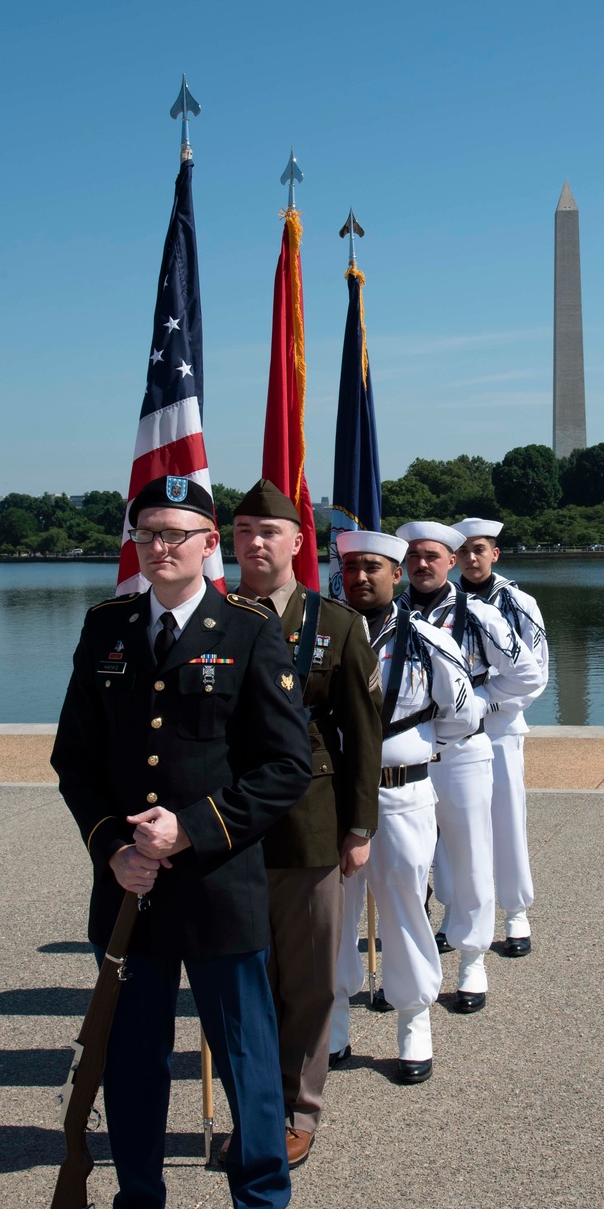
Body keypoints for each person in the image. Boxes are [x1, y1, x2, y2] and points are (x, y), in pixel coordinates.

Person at [50, 474, 312, 1209]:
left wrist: (191, 829)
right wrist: (111, 849)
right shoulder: (106, 630)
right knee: (132, 1061)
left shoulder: (246, 631)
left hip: (219, 888)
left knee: (245, 1060)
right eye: (149, 532)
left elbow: (285, 768)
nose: (162, 546)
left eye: (179, 533)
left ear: (211, 545)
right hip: (130, 890)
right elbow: (76, 762)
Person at [229, 478, 381, 1169]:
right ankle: (253, 1110)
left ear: (298, 543)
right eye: (242, 533)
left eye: (269, 533)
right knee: (240, 979)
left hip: (310, 825)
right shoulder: (213, 615)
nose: (255, 544)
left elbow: (361, 734)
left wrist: (358, 827)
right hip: (226, 825)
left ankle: (298, 1108)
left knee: (311, 979)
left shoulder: (336, 625)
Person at [331, 530, 481, 1082]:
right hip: (334, 797)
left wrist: (407, 749)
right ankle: (334, 1020)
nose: (361, 577)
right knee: (333, 911)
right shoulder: (318, 638)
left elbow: (462, 716)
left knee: (403, 907)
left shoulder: (427, 640)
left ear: (396, 575)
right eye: (351, 568)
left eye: (373, 567)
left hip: (402, 793)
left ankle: (414, 1018)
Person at [395, 520, 541, 1010]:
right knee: (417, 856)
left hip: (467, 746)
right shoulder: (385, 615)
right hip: (410, 751)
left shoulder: (480, 614)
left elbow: (527, 674)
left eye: (431, 556)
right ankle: (426, 949)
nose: (420, 564)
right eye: (412, 556)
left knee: (481, 842)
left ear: (450, 561)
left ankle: (474, 954)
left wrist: (477, 702)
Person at [452, 518, 549, 956]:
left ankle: (515, 912)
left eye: (481, 550)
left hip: (500, 728)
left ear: (495, 554)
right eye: (465, 551)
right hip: (451, 733)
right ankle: (456, 912)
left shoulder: (519, 602)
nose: (472, 559)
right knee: (449, 828)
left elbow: (537, 674)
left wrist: (485, 700)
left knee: (507, 821)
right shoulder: (439, 604)